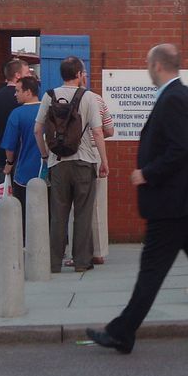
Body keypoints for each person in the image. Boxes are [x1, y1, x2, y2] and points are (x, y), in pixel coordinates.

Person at [86, 44, 188, 353]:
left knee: (152, 270)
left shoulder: (175, 98)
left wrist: (147, 173)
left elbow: (180, 149)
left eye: (148, 63)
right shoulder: (177, 95)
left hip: (173, 203)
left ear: (158, 65)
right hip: (184, 203)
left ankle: (122, 331)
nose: (147, 68)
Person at [33, 56, 109, 273]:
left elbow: (37, 130)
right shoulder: (88, 98)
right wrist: (104, 161)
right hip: (84, 161)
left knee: (58, 214)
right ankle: (82, 262)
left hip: (58, 163)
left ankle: (54, 262)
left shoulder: (49, 96)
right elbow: (97, 131)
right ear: (78, 74)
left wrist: (46, 155)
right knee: (83, 213)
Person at [66, 91, 114, 267]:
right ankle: (99, 252)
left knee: (73, 205)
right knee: (98, 204)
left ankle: (75, 253)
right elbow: (108, 130)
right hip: (95, 151)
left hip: (71, 154)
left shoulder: (58, 97)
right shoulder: (97, 99)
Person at [0, 59, 29, 245]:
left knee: (1, 198)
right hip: (21, 156)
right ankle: (19, 238)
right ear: (18, 75)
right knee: (23, 199)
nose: (30, 75)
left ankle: (0, 239)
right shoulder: (22, 99)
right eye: (27, 72)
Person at [0, 76, 41, 237]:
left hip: (24, 173)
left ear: (28, 92)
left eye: (18, 91)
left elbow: (9, 146)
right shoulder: (49, 110)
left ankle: (26, 242)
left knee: (25, 212)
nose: (15, 94)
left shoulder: (17, 114)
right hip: (49, 172)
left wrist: (9, 162)